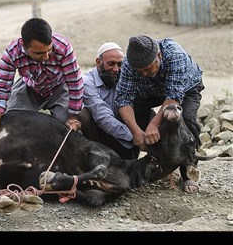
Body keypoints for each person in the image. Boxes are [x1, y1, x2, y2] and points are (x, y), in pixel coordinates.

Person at [115, 35, 204, 193]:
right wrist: (136, 131)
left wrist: (154, 124)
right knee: (129, 117)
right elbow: (123, 100)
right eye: (140, 71)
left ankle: (188, 170)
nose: (144, 73)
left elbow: (174, 97)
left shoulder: (175, 56)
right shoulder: (129, 63)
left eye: (149, 68)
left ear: (159, 55)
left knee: (187, 120)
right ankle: (131, 166)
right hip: (148, 91)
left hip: (186, 89)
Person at [0, 18, 83, 140]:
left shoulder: (63, 47)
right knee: (11, 123)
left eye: (49, 50)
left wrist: (73, 117)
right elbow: (2, 88)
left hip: (59, 87)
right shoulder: (12, 54)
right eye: (39, 53)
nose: (46, 56)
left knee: (65, 129)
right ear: (24, 45)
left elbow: (75, 83)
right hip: (30, 87)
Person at [78, 42, 139, 160]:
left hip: (121, 134)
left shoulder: (125, 77)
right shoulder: (86, 82)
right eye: (111, 64)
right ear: (98, 62)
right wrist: (134, 136)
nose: (116, 69)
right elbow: (103, 116)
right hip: (98, 135)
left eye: (120, 64)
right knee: (82, 114)